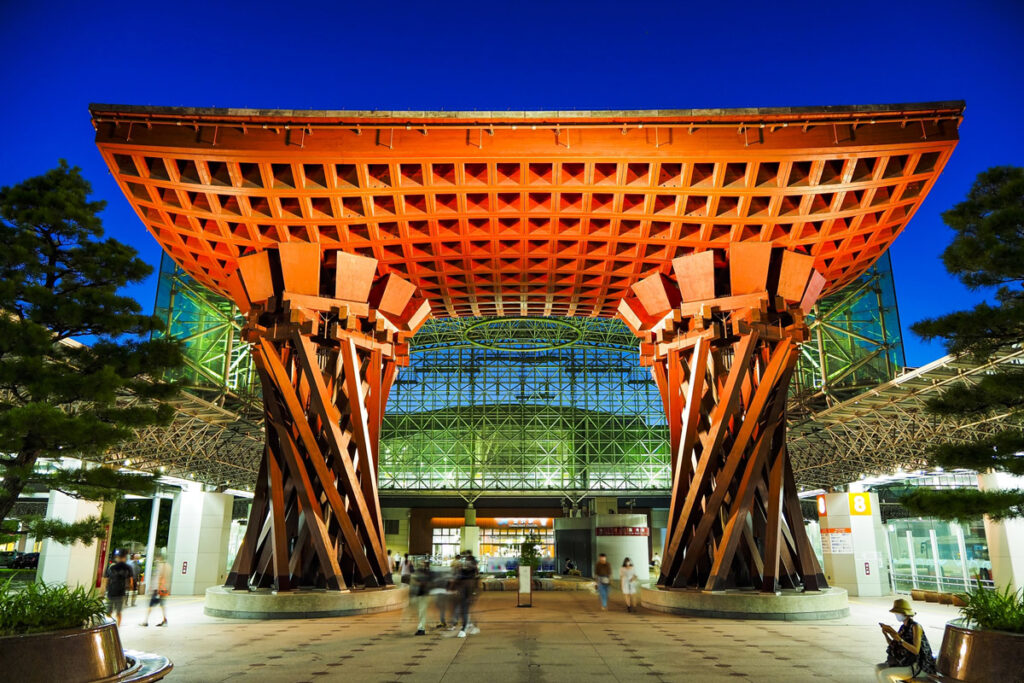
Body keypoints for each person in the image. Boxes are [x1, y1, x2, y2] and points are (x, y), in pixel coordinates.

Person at [875, 598, 936, 682]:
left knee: (884, 674)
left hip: (918, 665)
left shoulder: (915, 627)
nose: (896, 615)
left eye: (897, 613)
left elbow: (916, 650)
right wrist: (886, 634)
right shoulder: (903, 628)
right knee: (878, 668)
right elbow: (893, 644)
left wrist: (900, 639)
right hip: (904, 661)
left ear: (905, 613)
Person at [102, 550, 135, 627]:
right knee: (115, 612)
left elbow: (106, 579)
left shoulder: (117, 567)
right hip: (116, 592)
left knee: (113, 612)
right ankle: (115, 626)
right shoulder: (125, 567)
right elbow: (131, 581)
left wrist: (104, 589)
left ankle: (114, 626)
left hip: (115, 592)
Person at [140, 555, 171, 627]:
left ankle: (145, 621)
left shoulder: (160, 566)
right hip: (164, 589)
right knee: (162, 605)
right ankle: (164, 620)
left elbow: (159, 577)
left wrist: (154, 588)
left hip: (158, 589)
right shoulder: (168, 566)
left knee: (150, 605)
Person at [455, 550, 479, 638]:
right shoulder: (464, 567)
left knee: (465, 609)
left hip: (467, 590)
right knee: (464, 609)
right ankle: (468, 625)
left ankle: (464, 628)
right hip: (464, 590)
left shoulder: (471, 567)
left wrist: (473, 593)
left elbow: (475, 575)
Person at [410, 559, 432, 636]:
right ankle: (422, 627)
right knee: (421, 612)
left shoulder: (427, 573)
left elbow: (425, 584)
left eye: (424, 563)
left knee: (422, 612)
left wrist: (418, 583)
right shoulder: (421, 572)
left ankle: (421, 629)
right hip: (420, 595)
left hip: (423, 595)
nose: (423, 564)